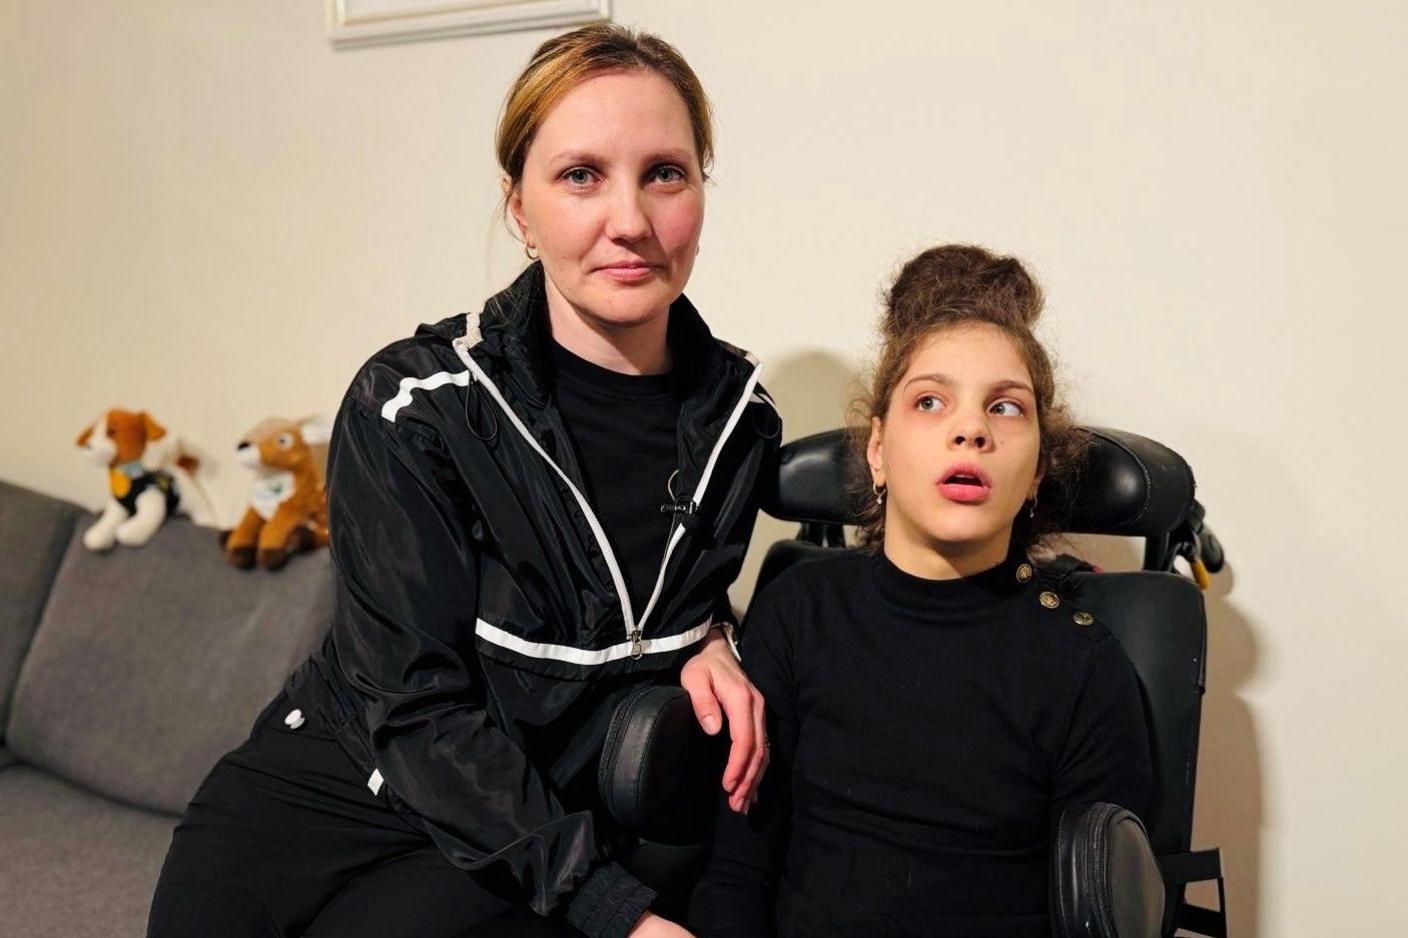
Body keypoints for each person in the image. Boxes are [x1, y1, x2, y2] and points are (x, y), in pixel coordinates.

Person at [148, 25, 779, 938]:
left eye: (665, 173)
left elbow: (656, 597)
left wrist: (709, 633)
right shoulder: (415, 405)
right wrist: (619, 914)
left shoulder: (742, 424)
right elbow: (415, 706)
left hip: (514, 838)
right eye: (581, 175)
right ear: (519, 208)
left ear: (701, 192)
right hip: (326, 801)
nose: (631, 220)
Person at [687, 245, 1152, 937]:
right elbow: (738, 873)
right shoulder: (799, 612)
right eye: (930, 401)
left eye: (1006, 408)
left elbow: (1102, 920)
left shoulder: (1083, 668)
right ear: (877, 448)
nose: (970, 430)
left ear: (1035, 476)